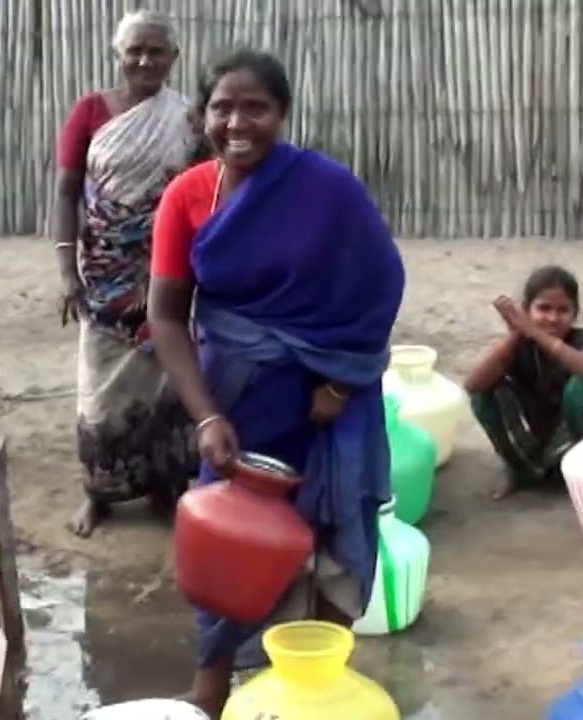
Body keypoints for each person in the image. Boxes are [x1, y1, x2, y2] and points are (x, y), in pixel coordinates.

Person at [147, 50, 404, 716]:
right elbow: (167, 317)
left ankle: (318, 688)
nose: (238, 122)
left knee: (332, 540)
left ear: (282, 114)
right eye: (222, 107)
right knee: (225, 546)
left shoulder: (328, 189)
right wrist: (206, 417)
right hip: (236, 403)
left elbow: (380, 286)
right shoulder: (187, 197)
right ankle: (211, 691)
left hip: (328, 404)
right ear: (203, 115)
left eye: (255, 106)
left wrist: (344, 386)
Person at [53, 9, 201, 537]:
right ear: (118, 54)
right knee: (99, 388)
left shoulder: (187, 119)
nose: (144, 59)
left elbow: (202, 193)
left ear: (173, 59)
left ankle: (163, 487)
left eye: (156, 51)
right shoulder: (90, 111)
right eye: (134, 50)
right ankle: (99, 493)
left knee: (166, 381)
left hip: (166, 272)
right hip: (102, 274)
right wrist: (67, 268)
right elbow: (68, 189)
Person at [463, 265, 583, 500]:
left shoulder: (580, 338)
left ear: (575, 314)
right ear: (526, 310)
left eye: (563, 310)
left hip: (570, 439)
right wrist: (516, 334)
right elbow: (472, 385)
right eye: (543, 308)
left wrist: (537, 333)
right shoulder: (519, 342)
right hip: (533, 435)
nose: (552, 318)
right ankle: (518, 470)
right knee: (485, 392)